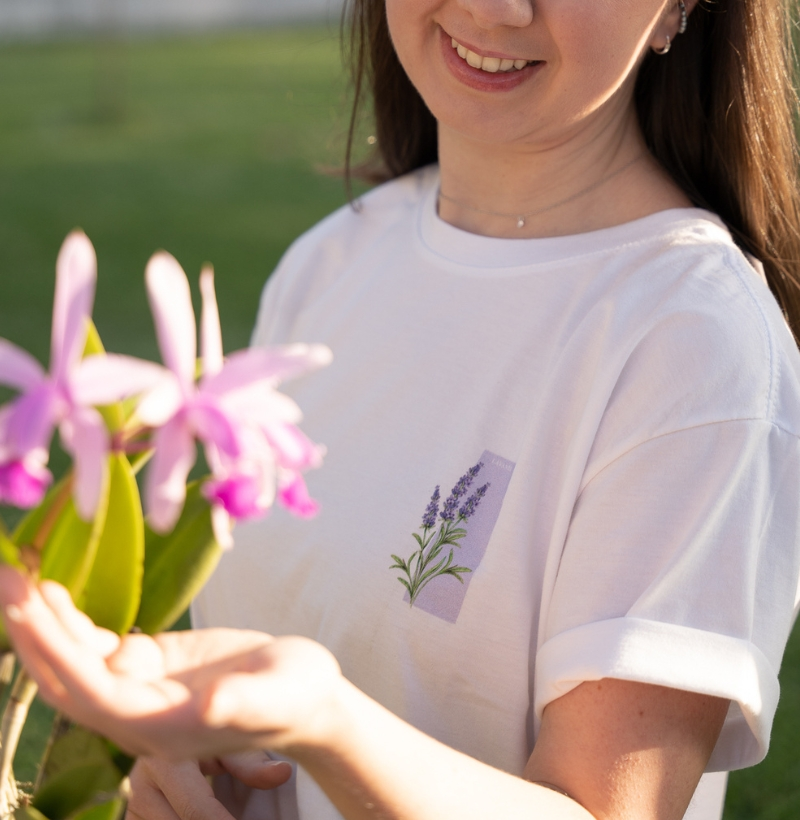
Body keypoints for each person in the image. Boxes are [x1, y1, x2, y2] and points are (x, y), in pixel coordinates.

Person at [2, 0, 800, 819]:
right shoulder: (330, 263)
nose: (497, 8)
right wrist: (169, 756)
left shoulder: (693, 345)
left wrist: (323, 721)